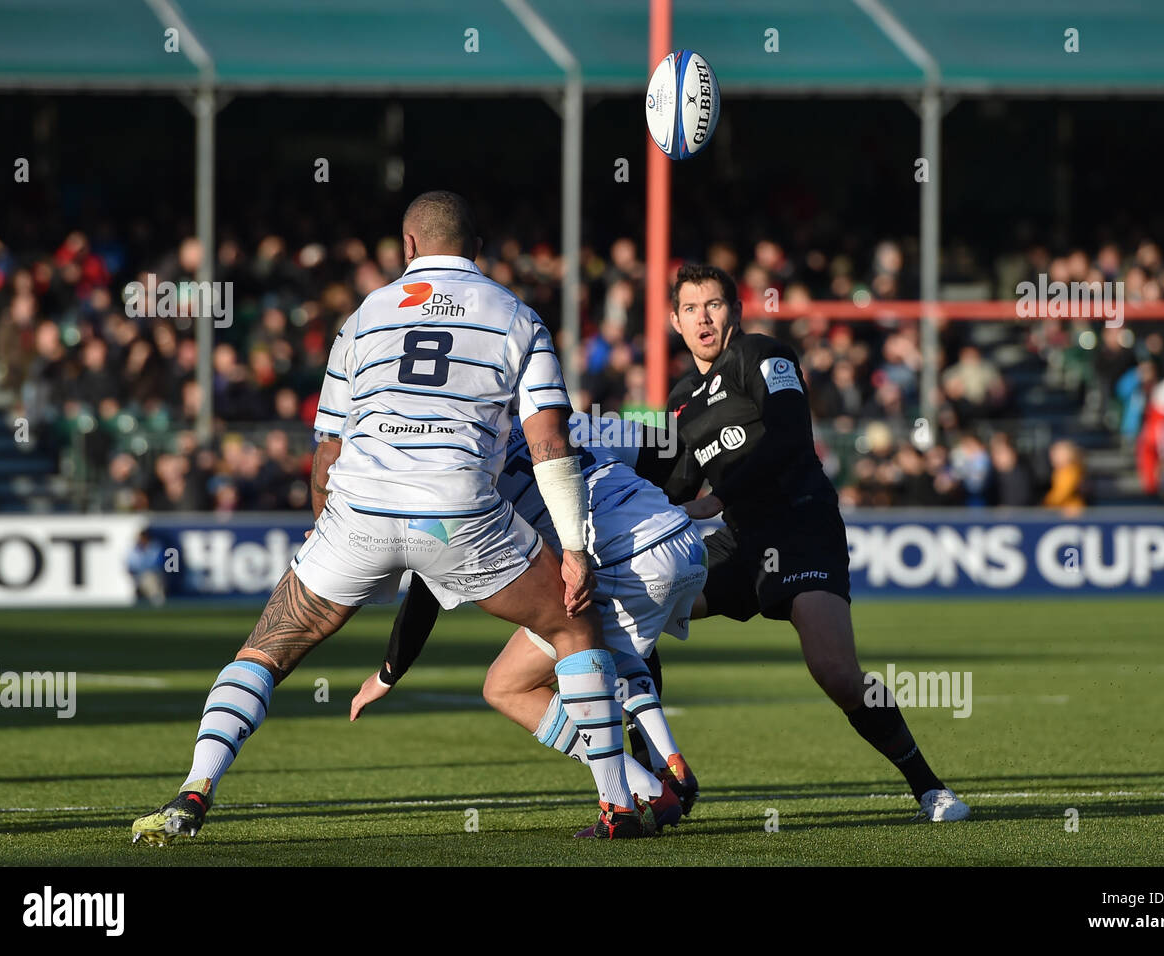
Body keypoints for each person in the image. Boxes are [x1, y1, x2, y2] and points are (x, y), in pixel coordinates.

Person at [132, 190, 649, 844]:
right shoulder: (517, 316)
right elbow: (548, 441)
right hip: (456, 510)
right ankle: (618, 805)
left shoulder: (363, 317)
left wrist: (326, 529)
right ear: (477, 249)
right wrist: (573, 547)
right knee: (573, 623)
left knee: (264, 649)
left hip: (361, 508)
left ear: (407, 246)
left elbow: (328, 451)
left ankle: (195, 789)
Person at [651, 263, 968, 823]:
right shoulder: (680, 398)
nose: (704, 318)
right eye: (691, 309)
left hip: (799, 526)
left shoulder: (762, 354)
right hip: (739, 542)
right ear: (675, 321)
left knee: (836, 673)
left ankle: (929, 788)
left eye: (714, 305)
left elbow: (789, 437)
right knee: (641, 603)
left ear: (735, 310)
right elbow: (673, 485)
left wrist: (716, 498)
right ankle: (659, 779)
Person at [339, 413, 706, 833]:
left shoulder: (454, 468)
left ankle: (645, 788)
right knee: (610, 644)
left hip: (625, 559)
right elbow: (667, 444)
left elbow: (425, 587)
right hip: (683, 540)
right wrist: (670, 505)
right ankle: (664, 767)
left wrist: (389, 671)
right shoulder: (552, 417)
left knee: (508, 686)